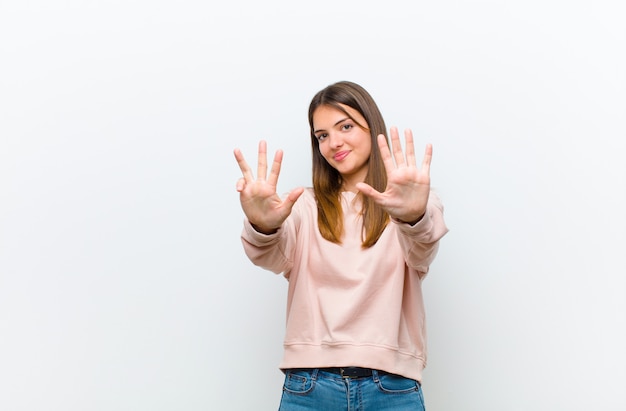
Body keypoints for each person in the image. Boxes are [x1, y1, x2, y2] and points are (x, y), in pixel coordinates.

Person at [233, 81, 448, 410]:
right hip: (310, 386)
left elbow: (423, 249)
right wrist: (264, 223)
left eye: (345, 126)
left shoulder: (410, 203)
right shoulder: (303, 207)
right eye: (322, 135)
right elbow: (270, 256)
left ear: (371, 127)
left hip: (392, 387)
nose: (334, 143)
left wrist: (412, 216)